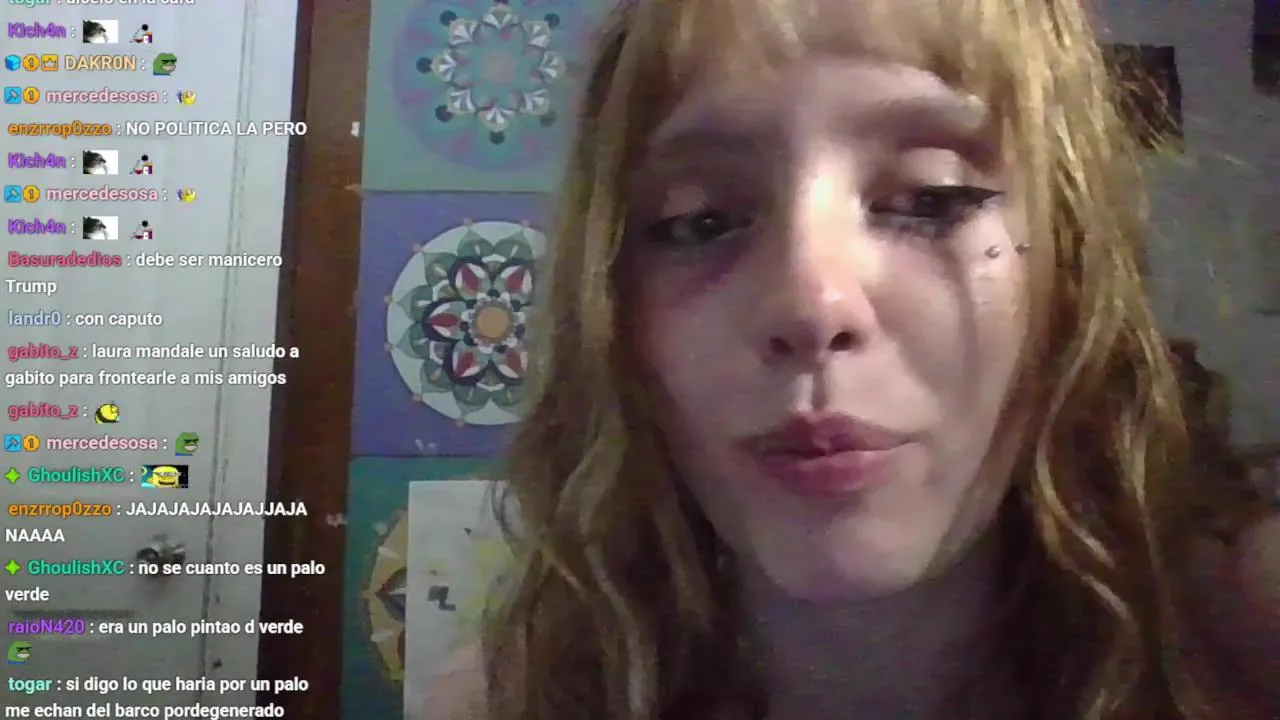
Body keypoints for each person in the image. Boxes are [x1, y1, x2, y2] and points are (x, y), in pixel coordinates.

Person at [425, 0, 1280, 717]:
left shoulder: (1245, 642)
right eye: (699, 220)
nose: (812, 303)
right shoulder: (510, 700)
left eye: (932, 200)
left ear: (1071, 275)